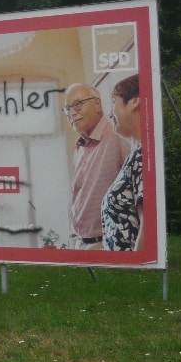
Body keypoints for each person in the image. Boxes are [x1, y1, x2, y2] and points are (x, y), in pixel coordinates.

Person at [63, 83, 131, 250]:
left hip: (108, 243)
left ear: (97, 104)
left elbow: (139, 187)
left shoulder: (117, 135)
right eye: (67, 109)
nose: (72, 112)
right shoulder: (80, 147)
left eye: (78, 104)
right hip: (81, 243)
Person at [102, 74, 144, 251]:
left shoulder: (143, 157)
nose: (110, 112)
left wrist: (137, 272)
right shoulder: (134, 155)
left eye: (114, 101)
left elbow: (149, 226)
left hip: (132, 273)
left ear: (134, 102)